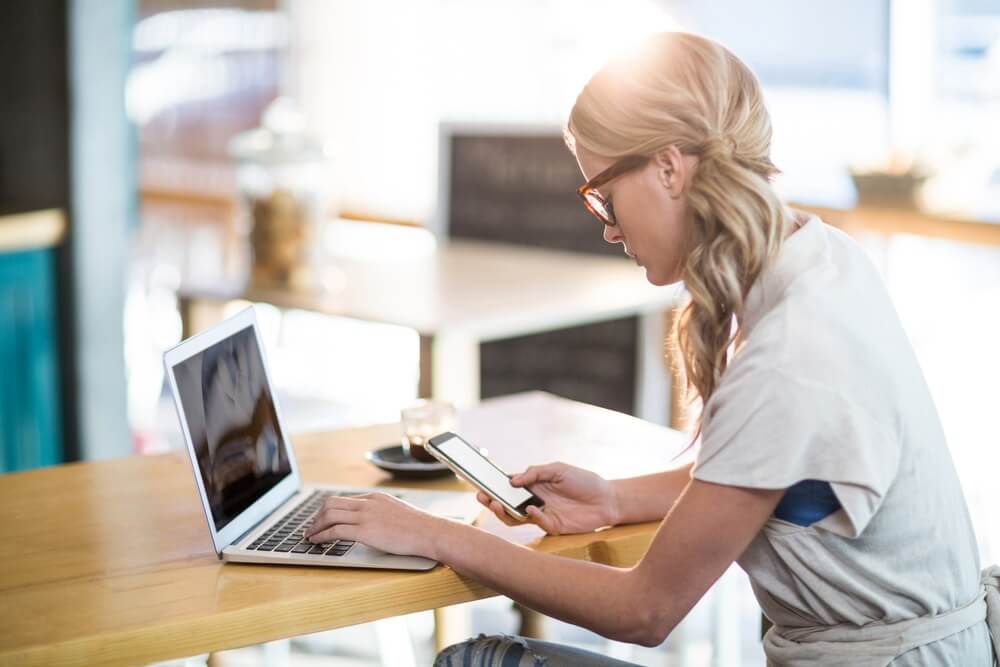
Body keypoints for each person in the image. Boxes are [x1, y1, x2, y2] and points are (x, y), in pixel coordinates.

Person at [305, 32, 999, 666]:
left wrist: (436, 535)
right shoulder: (822, 260)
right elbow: (777, 477)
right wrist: (613, 499)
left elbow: (645, 610)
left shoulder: (788, 354)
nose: (606, 227)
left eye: (601, 196)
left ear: (669, 168)